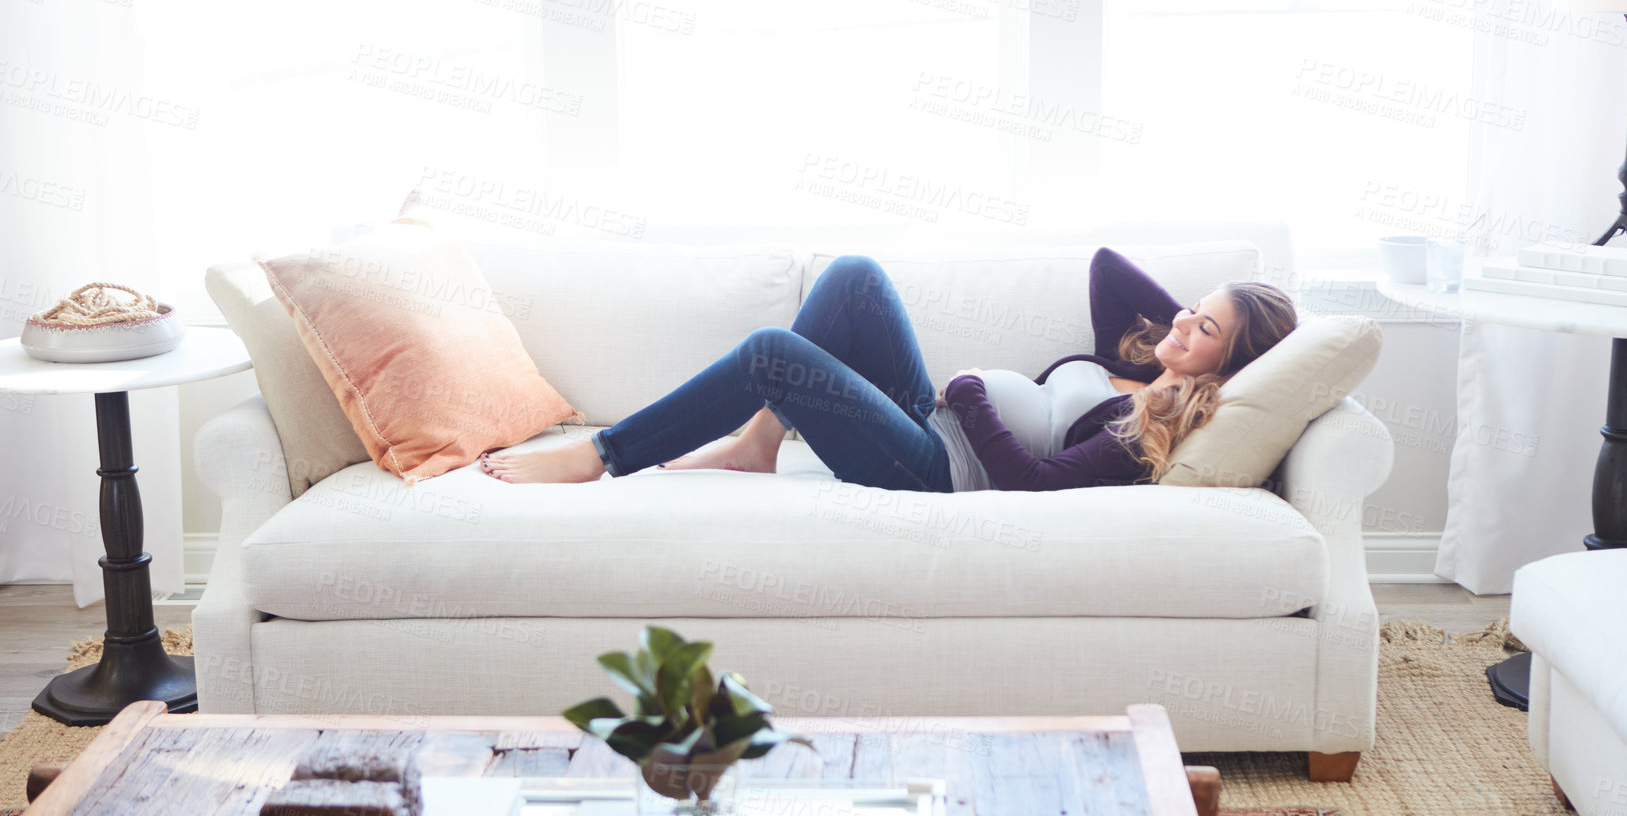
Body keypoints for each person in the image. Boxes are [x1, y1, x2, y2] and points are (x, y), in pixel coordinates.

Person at [480, 248, 1296, 492]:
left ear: (1231, 364)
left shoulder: (1141, 427)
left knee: (774, 353)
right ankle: (761, 440)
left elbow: (1026, 488)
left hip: (939, 468)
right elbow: (1107, 269)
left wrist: (973, 394)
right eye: (1191, 307)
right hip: (930, 423)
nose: (1181, 322)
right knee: (853, 277)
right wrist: (1196, 331)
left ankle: (600, 456)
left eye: (1205, 329)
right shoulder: (1147, 358)